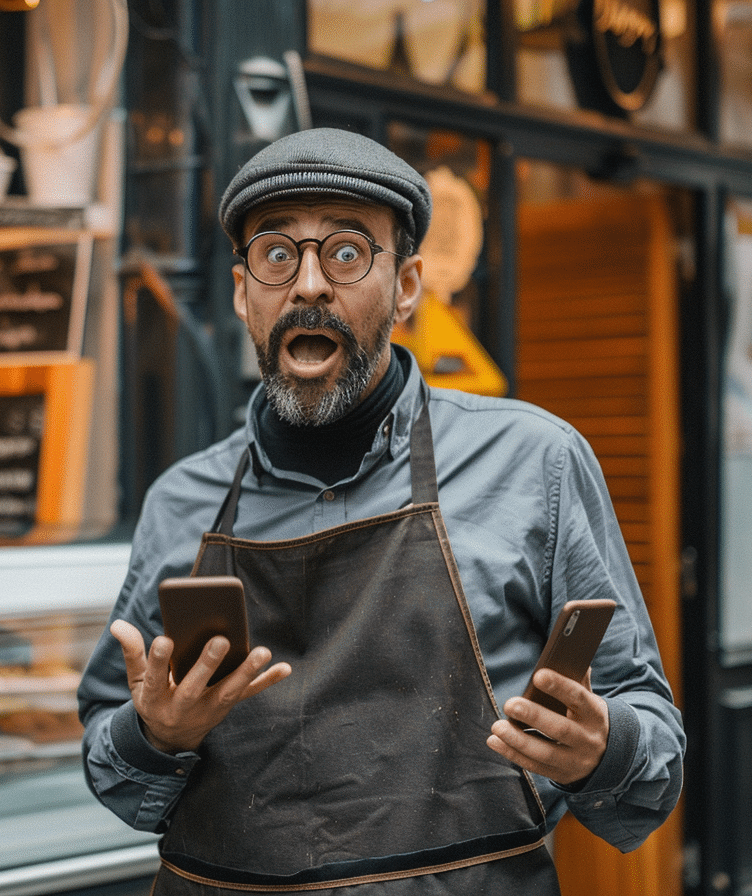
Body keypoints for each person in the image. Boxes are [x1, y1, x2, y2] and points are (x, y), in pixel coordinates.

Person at [78, 128, 684, 895]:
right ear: (242, 292)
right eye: (275, 254)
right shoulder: (180, 504)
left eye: (346, 252)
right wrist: (155, 734)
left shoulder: (536, 465)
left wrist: (604, 749)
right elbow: (116, 770)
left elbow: (651, 754)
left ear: (406, 285)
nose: (307, 286)